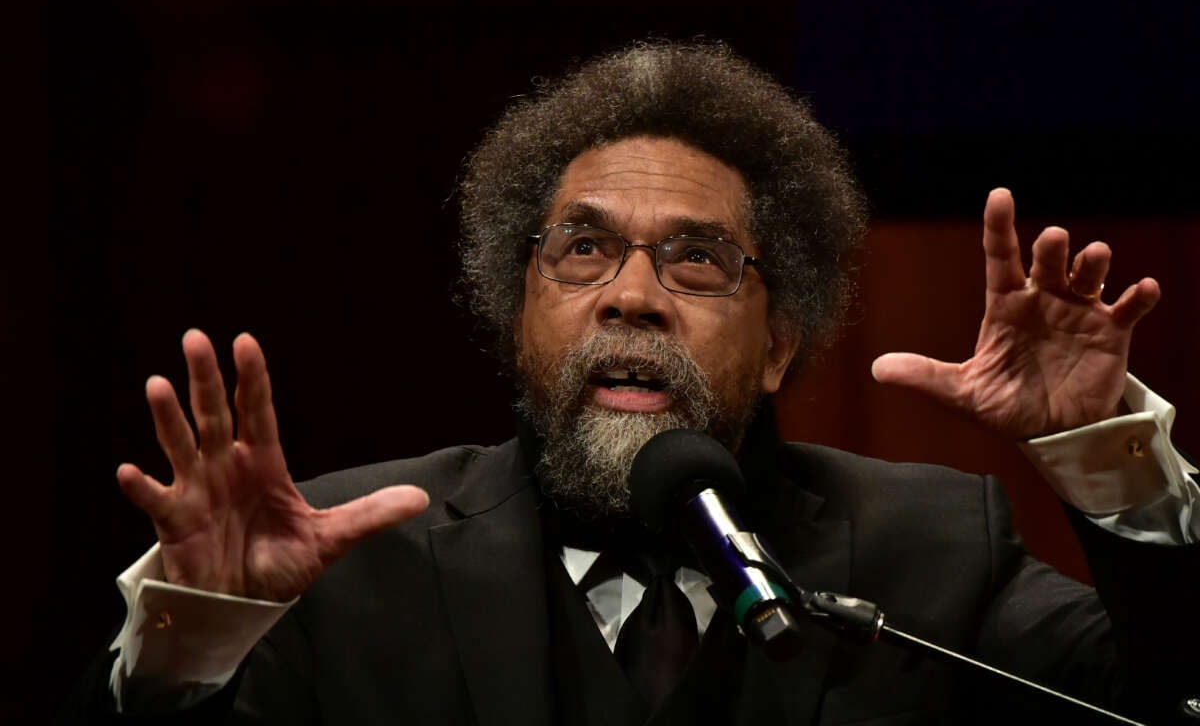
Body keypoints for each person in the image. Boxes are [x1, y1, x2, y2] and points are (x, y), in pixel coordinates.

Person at [67, 42, 1198, 725]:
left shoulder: (933, 547)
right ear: (520, 312)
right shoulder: (354, 557)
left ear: (777, 343)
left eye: (698, 258)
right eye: (582, 249)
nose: (633, 295)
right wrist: (191, 642)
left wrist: (1106, 451)